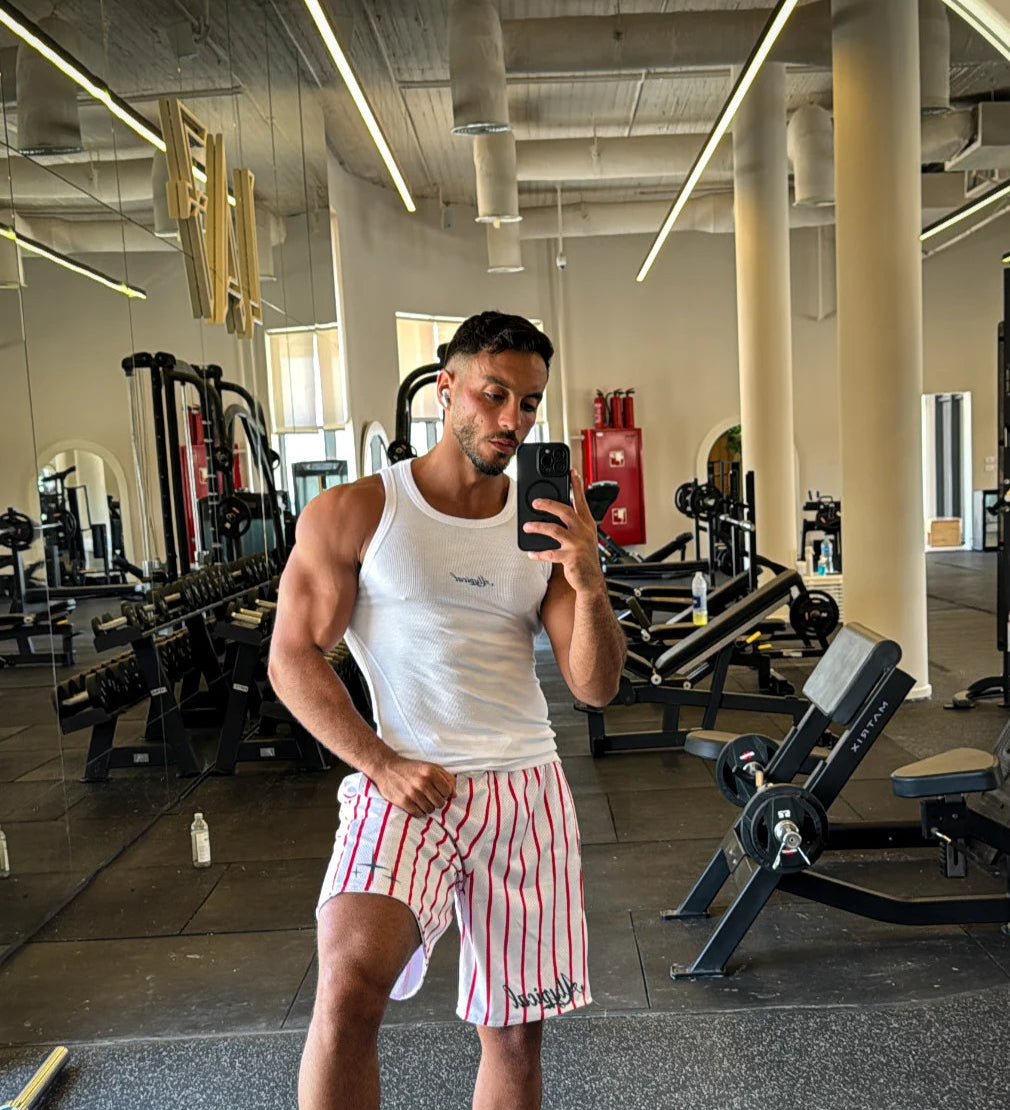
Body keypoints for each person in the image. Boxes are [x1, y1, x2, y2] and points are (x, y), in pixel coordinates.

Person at [268, 310, 626, 1110]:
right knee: (349, 987)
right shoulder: (356, 512)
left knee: (514, 1032)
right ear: (446, 389)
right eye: (494, 394)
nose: (511, 420)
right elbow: (292, 659)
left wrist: (590, 581)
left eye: (529, 403)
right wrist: (379, 763)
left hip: (525, 790)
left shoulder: (544, 523)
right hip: (403, 781)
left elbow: (594, 688)